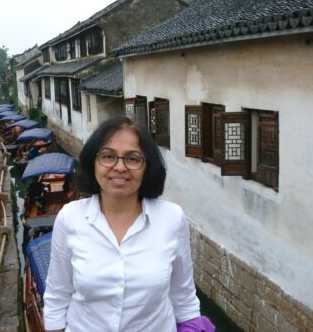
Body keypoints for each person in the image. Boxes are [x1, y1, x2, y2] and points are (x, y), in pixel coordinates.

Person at [43, 116, 215, 332]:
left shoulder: (172, 218)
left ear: (147, 167)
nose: (119, 167)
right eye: (108, 156)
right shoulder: (70, 218)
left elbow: (184, 297)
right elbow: (57, 296)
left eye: (133, 159)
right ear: (93, 162)